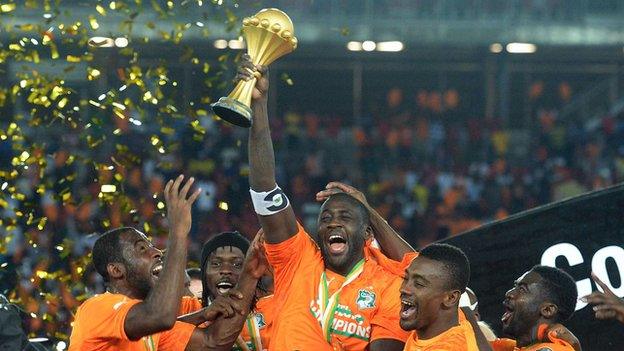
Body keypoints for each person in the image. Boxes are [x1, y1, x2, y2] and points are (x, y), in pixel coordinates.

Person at [242, 54, 411, 350]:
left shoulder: (388, 285)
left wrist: (369, 208)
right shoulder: (298, 260)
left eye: (345, 217)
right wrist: (258, 106)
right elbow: (265, 189)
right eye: (325, 218)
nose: (332, 221)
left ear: (367, 233)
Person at [69, 175, 267, 350]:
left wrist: (250, 275)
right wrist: (178, 233)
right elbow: (160, 316)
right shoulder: (96, 309)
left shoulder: (150, 329)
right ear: (116, 270)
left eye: (151, 246)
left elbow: (212, 343)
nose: (156, 252)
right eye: (142, 249)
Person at [194, 230, 275, 351]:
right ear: (204, 272)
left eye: (237, 264)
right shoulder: (188, 307)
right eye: (216, 264)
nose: (226, 270)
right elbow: (162, 334)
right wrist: (202, 315)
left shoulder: (274, 308)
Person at [399, 243, 480, 350]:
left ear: (451, 298)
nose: (404, 289)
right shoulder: (430, 332)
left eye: (419, 284)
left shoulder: (451, 347)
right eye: (405, 278)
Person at [493, 265, 578, 351]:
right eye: (515, 286)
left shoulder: (555, 349)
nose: (509, 293)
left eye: (522, 289)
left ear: (547, 310)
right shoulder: (507, 347)